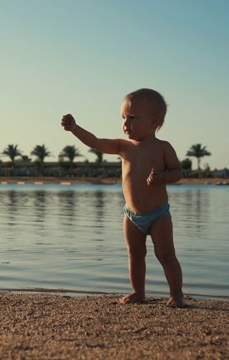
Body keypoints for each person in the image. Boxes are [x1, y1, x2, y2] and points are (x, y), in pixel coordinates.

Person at [61, 88, 185, 307]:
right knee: (135, 254)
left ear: (154, 121)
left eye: (132, 117)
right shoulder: (122, 147)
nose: (125, 123)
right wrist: (74, 128)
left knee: (165, 254)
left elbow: (178, 173)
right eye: (123, 118)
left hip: (158, 214)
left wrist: (162, 177)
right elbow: (95, 141)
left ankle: (177, 295)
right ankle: (138, 292)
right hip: (131, 215)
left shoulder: (163, 148)